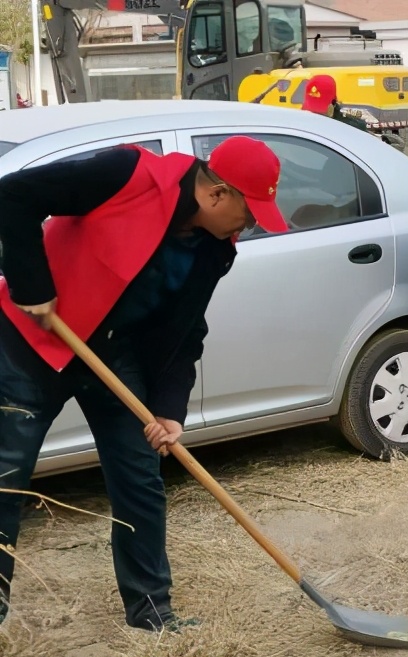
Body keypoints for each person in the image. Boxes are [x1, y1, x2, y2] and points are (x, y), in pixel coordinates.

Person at [0, 136, 287, 631]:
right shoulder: (125, 174)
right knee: (5, 478)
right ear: (216, 194)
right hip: (33, 343)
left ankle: (152, 612)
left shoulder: (214, 250)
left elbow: (185, 331)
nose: (250, 225)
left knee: (140, 479)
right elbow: (13, 195)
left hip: (112, 357)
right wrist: (32, 285)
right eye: (250, 213)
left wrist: (170, 409)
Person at [301, 74, 370, 132]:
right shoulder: (301, 125)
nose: (315, 116)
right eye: (311, 111)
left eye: (319, 113)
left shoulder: (351, 129)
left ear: (333, 103)